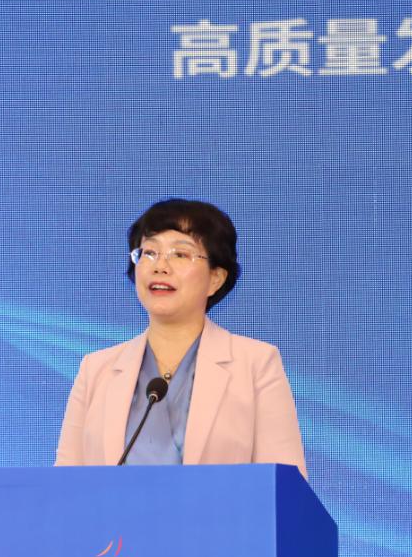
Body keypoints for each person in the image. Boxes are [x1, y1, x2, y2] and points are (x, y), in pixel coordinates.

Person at [55, 199, 308, 479]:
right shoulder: (96, 369)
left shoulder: (255, 364)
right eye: (149, 252)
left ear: (216, 278)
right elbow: (65, 485)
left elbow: (284, 485)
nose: (160, 266)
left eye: (180, 254)